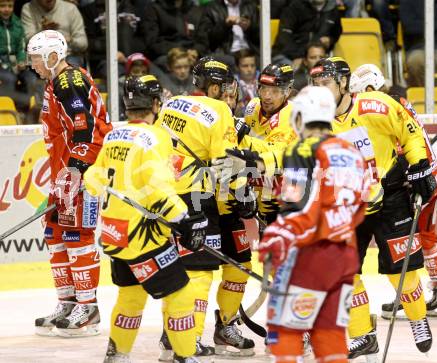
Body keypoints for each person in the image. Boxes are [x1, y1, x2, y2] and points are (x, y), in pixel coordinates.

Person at [310, 57, 436, 359]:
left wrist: (419, 165)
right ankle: (363, 335)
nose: (320, 91)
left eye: (326, 83)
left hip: (390, 197)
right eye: (316, 85)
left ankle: (418, 318)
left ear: (342, 83)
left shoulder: (374, 105)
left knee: (400, 272)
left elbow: (410, 131)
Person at [84, 75, 207, 363]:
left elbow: (93, 180)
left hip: (115, 234)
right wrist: (184, 219)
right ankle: (185, 356)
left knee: (131, 296)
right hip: (143, 237)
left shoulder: (114, 135)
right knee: (182, 294)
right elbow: (157, 189)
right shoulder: (156, 138)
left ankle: (118, 355)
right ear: (155, 103)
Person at [156, 57, 257, 360]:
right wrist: (245, 199)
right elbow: (226, 165)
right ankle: (192, 339)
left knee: (173, 269)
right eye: (222, 86)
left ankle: (171, 334)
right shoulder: (219, 110)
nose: (225, 92)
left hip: (161, 197)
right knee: (198, 272)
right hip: (194, 198)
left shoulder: (171, 104)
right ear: (213, 86)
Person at [259, 85, 368, 363]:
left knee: (285, 332)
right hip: (345, 256)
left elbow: (297, 204)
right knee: (330, 335)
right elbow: (361, 205)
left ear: (300, 116)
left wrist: (277, 234)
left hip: (309, 255)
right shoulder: (352, 151)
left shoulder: (302, 148)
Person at [27, 29, 112, 337]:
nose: (32, 63)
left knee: (78, 234)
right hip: (65, 172)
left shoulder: (69, 83)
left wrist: (77, 170)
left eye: (36, 58)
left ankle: (88, 308)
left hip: (82, 171)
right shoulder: (56, 83)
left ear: (53, 56)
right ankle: (68, 301)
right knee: (54, 230)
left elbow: (87, 129)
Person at [349, 63, 437, 318]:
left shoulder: (386, 105)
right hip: (421, 174)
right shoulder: (395, 100)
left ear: (368, 88)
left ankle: (435, 288)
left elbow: (404, 146)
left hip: (419, 177)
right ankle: (412, 292)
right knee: (424, 234)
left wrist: (414, 175)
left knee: (422, 235)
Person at [242, 63, 297, 227]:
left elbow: (273, 158)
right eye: (263, 89)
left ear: (287, 91)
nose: (266, 96)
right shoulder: (252, 107)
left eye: (274, 91)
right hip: (262, 193)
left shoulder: (292, 115)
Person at [272, 0, 341, 70]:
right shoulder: (294, 7)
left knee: (336, 72)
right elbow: (284, 38)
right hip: (288, 55)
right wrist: (299, 56)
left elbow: (336, 33)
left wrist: (330, 39)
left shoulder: (333, 9)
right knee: (295, 73)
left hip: (317, 56)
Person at [194, 0, 260, 69]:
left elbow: (261, 38)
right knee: (229, 61)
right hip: (224, 52)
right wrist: (225, 25)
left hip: (250, 50)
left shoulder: (251, 6)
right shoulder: (212, 8)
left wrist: (250, 27)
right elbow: (207, 39)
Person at [21, 0, 88, 66]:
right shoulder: (28, 8)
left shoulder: (71, 9)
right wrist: (43, 32)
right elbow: (27, 42)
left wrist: (69, 40)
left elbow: (83, 44)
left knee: (68, 70)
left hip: (68, 55)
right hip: (41, 58)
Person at [234, 48, 258, 115]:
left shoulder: (262, 80)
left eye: (252, 65)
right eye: (245, 66)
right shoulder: (231, 83)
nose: (249, 69)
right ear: (237, 67)